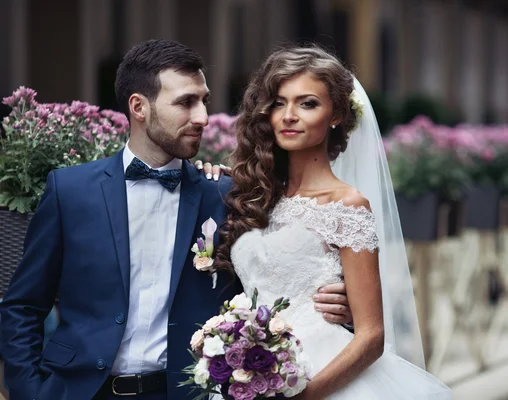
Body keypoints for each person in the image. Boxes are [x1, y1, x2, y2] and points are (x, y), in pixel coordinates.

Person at [0, 39, 352, 400]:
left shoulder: (228, 195)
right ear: (139, 107)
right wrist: (30, 390)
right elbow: (23, 306)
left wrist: (335, 304)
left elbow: (278, 275)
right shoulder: (70, 191)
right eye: (185, 102)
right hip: (78, 391)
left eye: (204, 101)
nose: (202, 117)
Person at [213, 46, 453, 399]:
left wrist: (306, 395)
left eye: (307, 103)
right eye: (279, 102)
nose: (289, 115)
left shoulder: (347, 206)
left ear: (336, 114)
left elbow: (371, 335)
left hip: (324, 375)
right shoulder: (253, 193)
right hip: (249, 375)